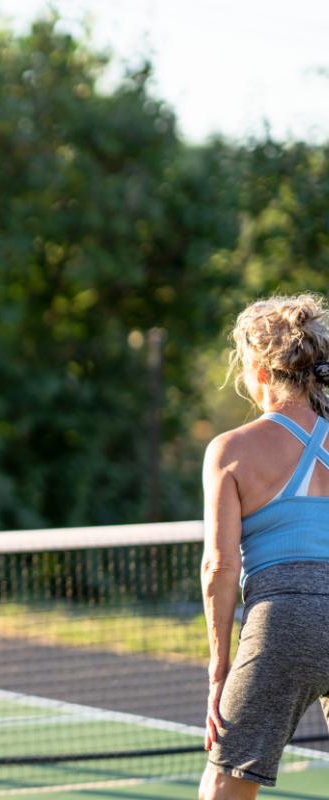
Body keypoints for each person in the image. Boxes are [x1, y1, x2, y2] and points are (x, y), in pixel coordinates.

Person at [199, 293, 329, 799]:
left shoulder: (231, 449)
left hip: (284, 621)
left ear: (257, 370)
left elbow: (220, 566)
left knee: (225, 782)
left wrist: (219, 667)